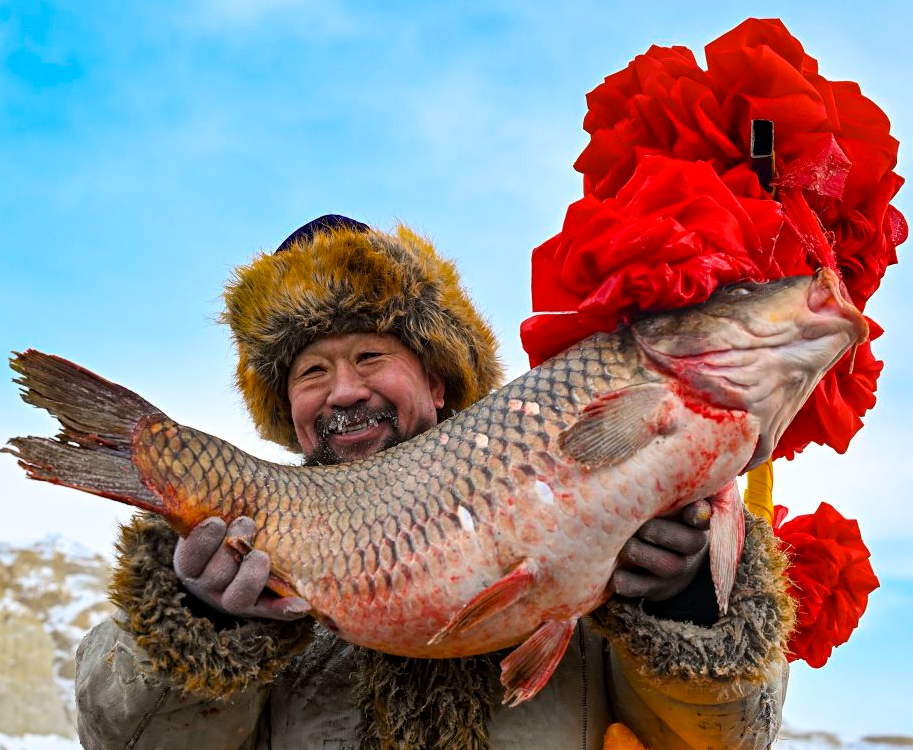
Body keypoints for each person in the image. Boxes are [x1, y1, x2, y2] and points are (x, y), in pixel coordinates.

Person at [75, 216, 792, 750]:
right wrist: (200, 630)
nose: (343, 392)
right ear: (288, 413)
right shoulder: (224, 551)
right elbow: (124, 741)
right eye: (311, 372)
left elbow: (729, 741)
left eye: (369, 355)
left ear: (439, 382)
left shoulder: (597, 501)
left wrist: (687, 606)